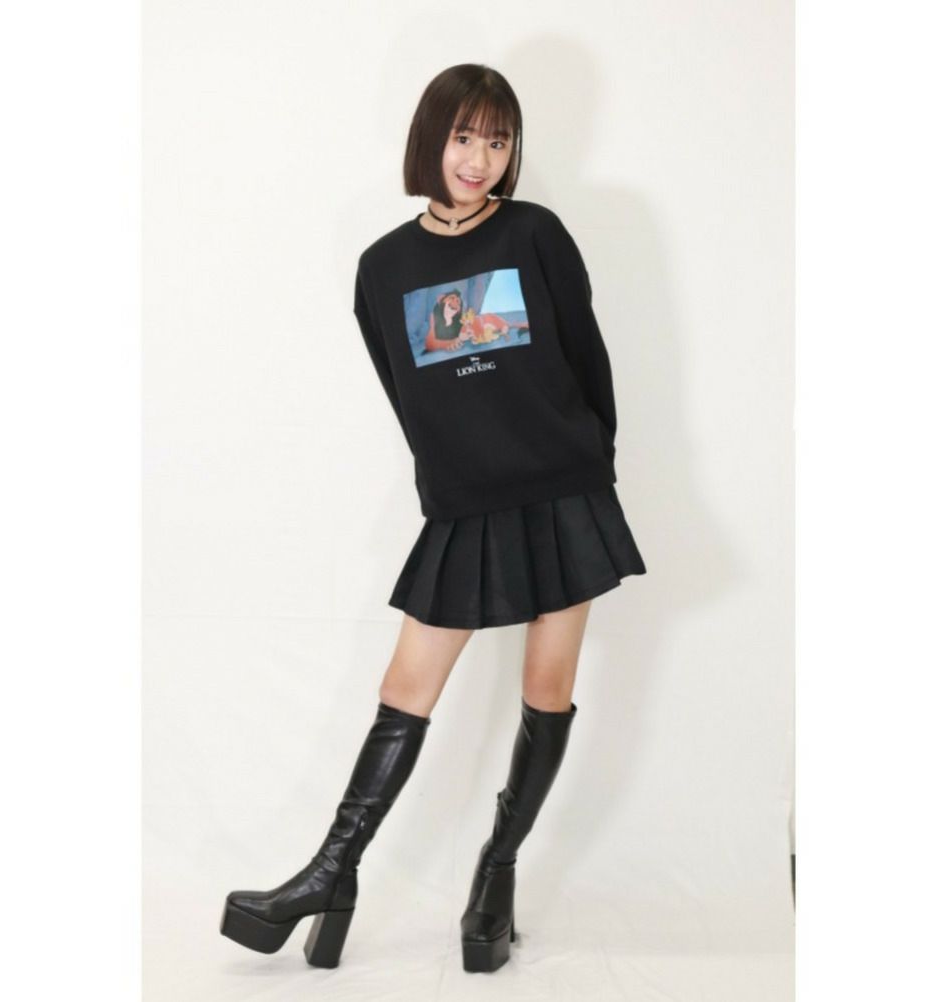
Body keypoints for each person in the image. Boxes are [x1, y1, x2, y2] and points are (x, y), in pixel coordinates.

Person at [220, 63, 647, 974]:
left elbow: (589, 358)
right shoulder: (383, 269)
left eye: (498, 140)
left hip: (562, 493)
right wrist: (457, 471)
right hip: (466, 504)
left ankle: (496, 876)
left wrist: (586, 463)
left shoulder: (535, 234)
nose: (479, 158)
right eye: (463, 137)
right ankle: (331, 874)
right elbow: (406, 396)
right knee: (406, 686)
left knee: (547, 689)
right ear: (431, 140)